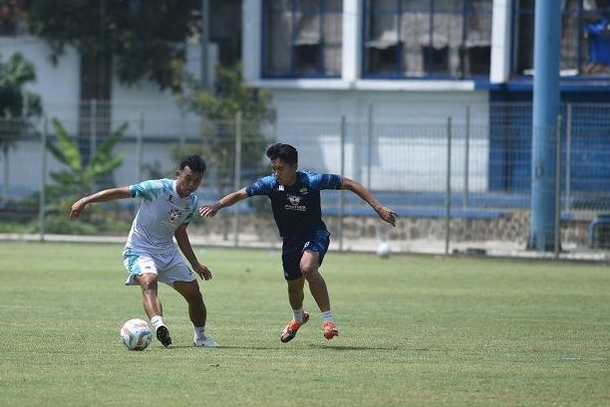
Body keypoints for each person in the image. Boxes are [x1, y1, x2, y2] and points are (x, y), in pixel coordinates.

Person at [199, 143, 396, 343]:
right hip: (291, 241)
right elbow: (241, 194)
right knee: (294, 289)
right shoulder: (270, 184)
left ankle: (328, 321)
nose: (276, 173)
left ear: (294, 167)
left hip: (315, 233)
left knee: (308, 268)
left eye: (280, 169)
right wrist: (217, 206)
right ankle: (298, 318)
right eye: (273, 168)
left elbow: (351, 183)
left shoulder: (312, 180)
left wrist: (378, 207)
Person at [70, 155, 218, 348]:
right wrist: (86, 200)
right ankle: (159, 325)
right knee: (149, 281)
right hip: (140, 249)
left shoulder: (192, 202)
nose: (191, 184)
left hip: (167, 252)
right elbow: (120, 192)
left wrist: (195, 264)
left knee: (194, 294)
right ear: (178, 174)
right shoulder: (157, 188)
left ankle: (201, 337)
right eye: (188, 178)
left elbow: (181, 232)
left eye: (197, 181)